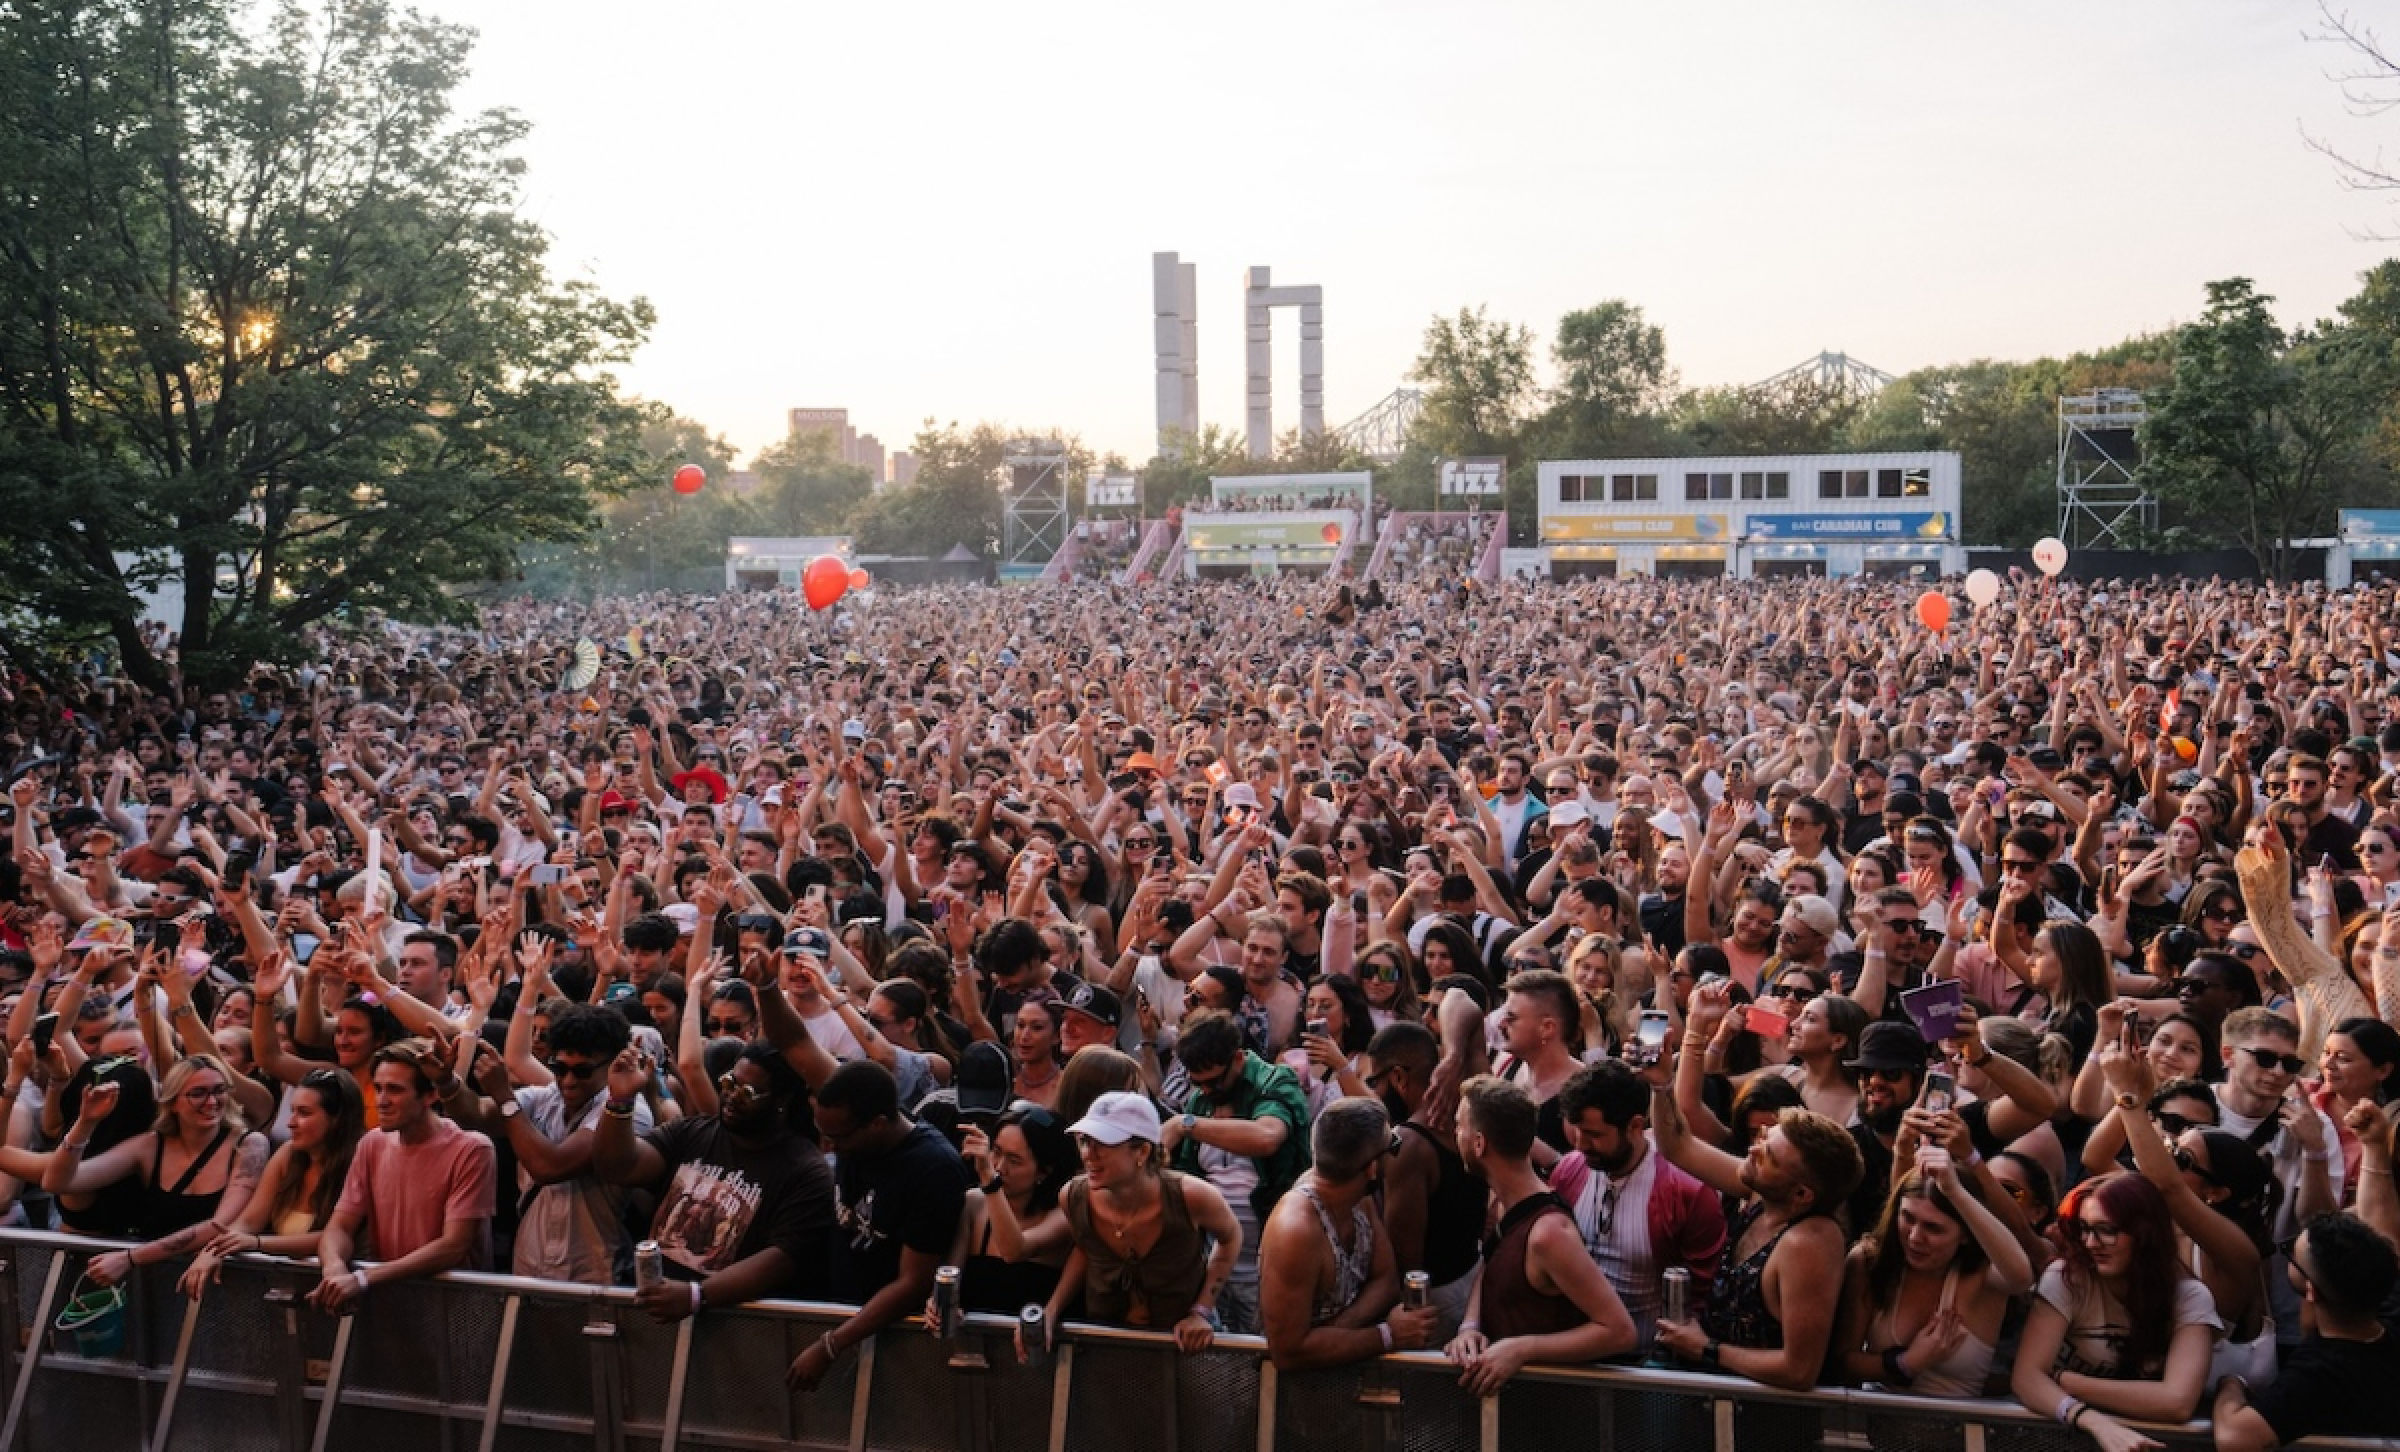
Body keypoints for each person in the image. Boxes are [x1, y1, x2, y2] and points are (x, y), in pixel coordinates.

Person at [592, 1040, 836, 1319]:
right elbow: (618, 1167)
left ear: (781, 1101)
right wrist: (620, 1101)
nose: (731, 1096)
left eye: (747, 1093)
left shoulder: (806, 1171)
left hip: (730, 1328)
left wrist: (698, 1295)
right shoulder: (692, 1133)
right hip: (660, 1311)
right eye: (729, 1083)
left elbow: (784, 1258)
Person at [1651, 1080, 1860, 1391]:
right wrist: (1662, 1085)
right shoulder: (1761, 1192)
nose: (1752, 1150)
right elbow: (1677, 1146)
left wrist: (1705, 1349)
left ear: (1802, 1193)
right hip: (1714, 1395)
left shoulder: (1810, 1242)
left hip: (1764, 1420)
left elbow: (1799, 1370)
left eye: (1768, 1156)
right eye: (1762, 1138)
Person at [1443, 1075, 1637, 1394]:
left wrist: (1523, 1349)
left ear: (1479, 1143)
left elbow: (1618, 1331)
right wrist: (1470, 1326)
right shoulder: (1504, 1206)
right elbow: (1490, 1266)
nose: (1455, 1135)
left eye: (1459, 1126)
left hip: (1551, 1415)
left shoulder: (1549, 1234)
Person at [787, 1060, 971, 1392]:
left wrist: (831, 1345)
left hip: (897, 1341)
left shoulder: (933, 1170)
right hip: (844, 1315)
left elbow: (913, 1282)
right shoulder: (858, 1137)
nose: (828, 1147)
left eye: (837, 1138)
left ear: (877, 1123)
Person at [2010, 1172, 2220, 1452]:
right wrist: (2095, 1422)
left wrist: (2069, 1382)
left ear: (2145, 1233)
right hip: (2066, 1440)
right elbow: (2026, 1378)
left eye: (2107, 1230)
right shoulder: (2068, 1278)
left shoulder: (2188, 1296)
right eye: (2084, 1228)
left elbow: (2177, 1402)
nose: (2091, 1243)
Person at [447, 1000, 647, 1285]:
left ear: (615, 1065)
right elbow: (477, 1115)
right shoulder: (546, 1097)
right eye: (559, 1067)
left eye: (582, 1071)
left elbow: (550, 1167)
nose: (568, 1081)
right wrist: (445, 1083)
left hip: (597, 1275)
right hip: (530, 1266)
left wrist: (505, 1097)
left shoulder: (627, 1113)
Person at [1037, 1091, 1242, 1353]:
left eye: (1103, 1142)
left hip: (1182, 1346)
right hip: (1108, 1346)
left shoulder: (1191, 1196)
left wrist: (1202, 1310)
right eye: (1085, 1141)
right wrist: (1052, 1309)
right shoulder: (1073, 1197)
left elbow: (1231, 1236)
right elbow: (1086, 1248)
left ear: (1142, 1151)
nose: (1089, 1153)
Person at [44, 1052, 270, 1286]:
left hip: (226, 1285)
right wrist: (85, 1123)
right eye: (198, 1093)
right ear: (172, 1102)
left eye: (219, 1090)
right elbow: (57, 1182)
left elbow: (220, 1224)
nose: (212, 1102)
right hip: (157, 1286)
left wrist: (131, 1258)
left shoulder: (249, 1145)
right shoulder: (150, 1145)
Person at [1546, 1058, 1725, 1350]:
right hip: (1578, 1353)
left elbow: (1703, 1299)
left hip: (1653, 1364)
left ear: (1635, 1126)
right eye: (1576, 1130)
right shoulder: (1568, 1171)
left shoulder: (1687, 1191)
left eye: (1593, 1135)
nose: (1580, 1145)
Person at [311, 1038, 497, 1313]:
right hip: (390, 1307)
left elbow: (454, 1245)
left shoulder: (471, 1149)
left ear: (430, 1095)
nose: (381, 1101)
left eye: (395, 1090)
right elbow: (339, 1227)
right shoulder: (372, 1144)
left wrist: (364, 1278)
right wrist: (334, 1269)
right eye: (378, 1089)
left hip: (454, 1310)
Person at [1833, 1153, 2033, 1397]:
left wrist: (1955, 1193)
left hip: (1957, 1429)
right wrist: (1906, 1363)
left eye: (1933, 1228)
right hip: (1879, 1421)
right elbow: (1844, 1361)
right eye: (1907, 1218)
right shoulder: (1869, 1261)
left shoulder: (1981, 1278)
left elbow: (2021, 1276)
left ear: (1966, 1235)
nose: (1915, 1237)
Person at [1257, 1097, 1435, 1371]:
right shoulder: (1296, 1230)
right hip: (1301, 1397)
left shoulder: (1357, 1195)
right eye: (1394, 1146)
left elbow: (1386, 1282)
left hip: (1346, 1377)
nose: (1397, 1153)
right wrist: (1388, 1335)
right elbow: (1287, 1351)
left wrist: (1336, 1332)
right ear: (1371, 1168)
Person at [1165, 1009, 1310, 1335]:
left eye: (1214, 1082)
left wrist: (1184, 1125)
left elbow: (1267, 1137)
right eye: (1196, 1083)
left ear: (1239, 1060)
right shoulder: (1200, 1101)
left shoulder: (1275, 1081)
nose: (1205, 1091)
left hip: (1269, 1269)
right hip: (1213, 1269)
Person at [2210, 1211, 2400, 1450]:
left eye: (2291, 1254)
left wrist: (2230, 1386)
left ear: (2311, 1291)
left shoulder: (2317, 1378)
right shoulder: (2389, 1313)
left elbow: (2235, 1437)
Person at [178, 1068, 368, 1298]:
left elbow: (335, 1235)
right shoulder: (288, 1154)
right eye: (292, 1111)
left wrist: (257, 1243)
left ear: (337, 1119)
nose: (291, 1123)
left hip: (338, 1294)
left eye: (304, 1113)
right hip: (285, 1291)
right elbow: (248, 1221)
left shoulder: (361, 1159)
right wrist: (213, 1252)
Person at [1363, 1019, 1487, 1338]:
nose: (1373, 1092)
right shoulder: (1465, 1113)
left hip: (1436, 1304)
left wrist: (1408, 1318)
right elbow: (1465, 1007)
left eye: (1375, 1081)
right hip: (1472, 1280)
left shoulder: (1406, 1145)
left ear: (1399, 1077)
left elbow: (1406, 1260)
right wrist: (1455, 1056)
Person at [948, 1101, 1077, 1314]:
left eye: (1014, 1161)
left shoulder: (1063, 1214)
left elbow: (1014, 1251)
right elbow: (951, 1275)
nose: (999, 1167)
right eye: (996, 1152)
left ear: (1044, 1172)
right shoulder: (973, 1204)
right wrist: (941, 1303)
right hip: (973, 1342)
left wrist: (990, 1183)